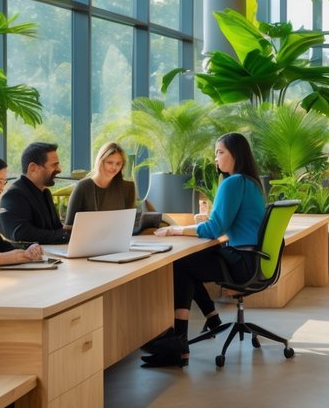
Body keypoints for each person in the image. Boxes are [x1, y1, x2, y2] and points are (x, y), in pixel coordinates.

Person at [141, 133, 267, 368]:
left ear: (235, 155)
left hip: (242, 263)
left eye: (220, 153)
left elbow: (214, 229)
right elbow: (227, 224)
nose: (216, 159)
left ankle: (179, 345)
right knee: (190, 262)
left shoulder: (233, 182)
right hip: (255, 261)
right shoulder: (251, 183)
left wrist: (174, 231)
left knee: (180, 265)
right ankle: (205, 323)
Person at [0, 141, 69, 244]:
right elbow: (21, 233)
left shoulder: (45, 193)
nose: (59, 169)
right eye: (54, 165)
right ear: (33, 168)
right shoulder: (14, 195)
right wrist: (64, 236)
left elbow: (56, 229)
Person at [65, 141, 137, 225]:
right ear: (100, 162)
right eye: (109, 163)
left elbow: (129, 223)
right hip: (87, 237)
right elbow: (69, 225)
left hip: (118, 236)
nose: (114, 167)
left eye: (118, 163)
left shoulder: (128, 188)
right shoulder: (83, 187)